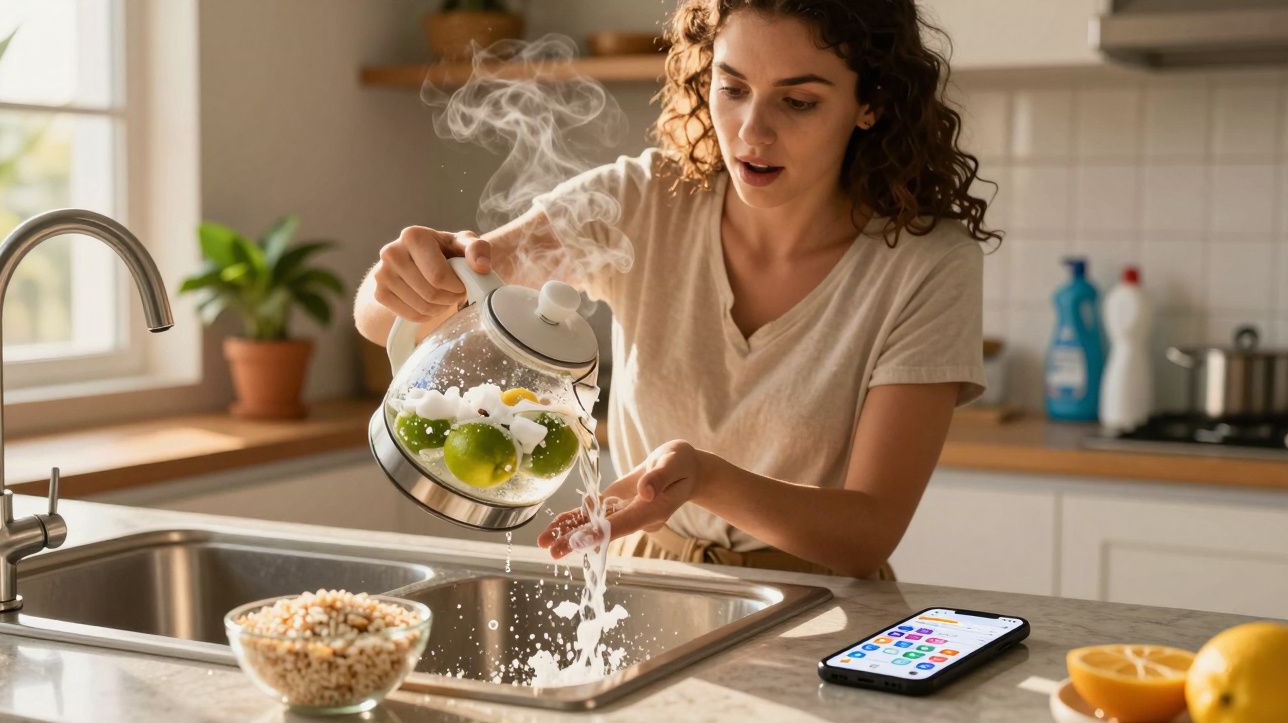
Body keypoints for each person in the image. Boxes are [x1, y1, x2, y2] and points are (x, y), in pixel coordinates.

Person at [353, 0, 1001, 579]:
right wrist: (409, 279)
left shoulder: (926, 263)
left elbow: (868, 533)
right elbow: (389, 318)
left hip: (824, 602)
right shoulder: (646, 198)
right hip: (647, 581)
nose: (752, 131)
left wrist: (707, 480)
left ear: (872, 102)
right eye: (733, 87)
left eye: (798, 101)